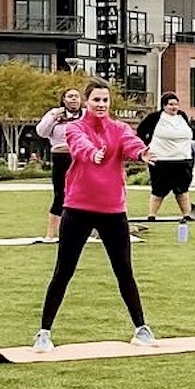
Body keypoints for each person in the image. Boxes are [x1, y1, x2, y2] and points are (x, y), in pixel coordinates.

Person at [33, 80, 154, 352]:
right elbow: (79, 145)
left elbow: (130, 143)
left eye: (105, 100)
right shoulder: (75, 127)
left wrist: (141, 153)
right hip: (78, 209)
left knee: (124, 271)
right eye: (96, 100)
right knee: (63, 271)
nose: (101, 105)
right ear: (87, 102)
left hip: (113, 211)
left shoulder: (119, 128)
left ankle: (141, 329)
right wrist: (93, 153)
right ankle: (44, 333)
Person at [134, 92, 195, 221]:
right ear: (164, 105)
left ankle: (187, 214)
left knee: (182, 189)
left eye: (176, 104)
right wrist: (145, 148)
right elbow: (140, 132)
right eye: (170, 104)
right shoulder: (155, 117)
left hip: (183, 160)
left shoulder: (182, 116)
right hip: (161, 160)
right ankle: (152, 215)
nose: (174, 107)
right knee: (158, 189)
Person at [35, 88, 84, 241]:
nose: (74, 99)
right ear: (63, 100)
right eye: (70, 96)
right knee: (60, 194)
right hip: (60, 157)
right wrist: (53, 119)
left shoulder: (86, 115)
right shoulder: (54, 114)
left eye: (76, 96)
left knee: (85, 193)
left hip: (81, 156)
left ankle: (86, 231)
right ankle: (51, 234)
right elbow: (41, 132)